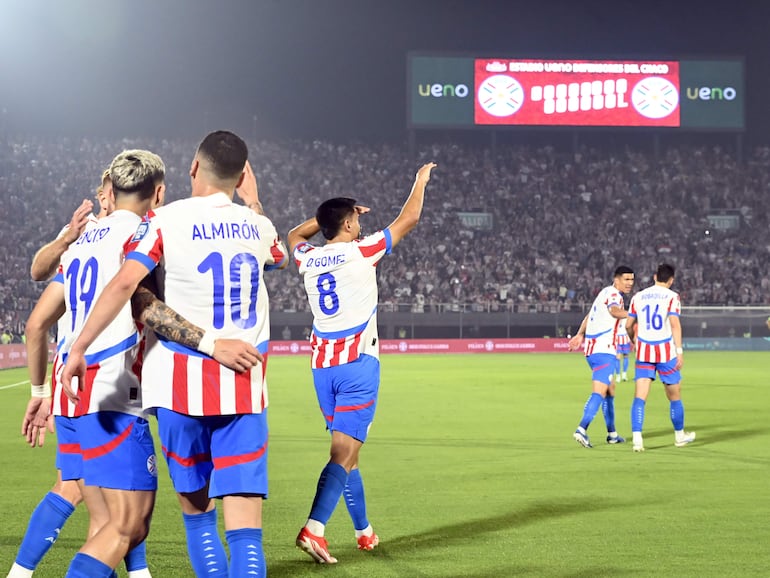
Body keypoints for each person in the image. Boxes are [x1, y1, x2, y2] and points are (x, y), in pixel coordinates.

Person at [61, 131, 287, 578]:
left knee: (200, 523)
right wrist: (254, 202)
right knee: (246, 535)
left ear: (192, 169)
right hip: (243, 386)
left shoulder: (164, 219)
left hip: (177, 389)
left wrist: (79, 346)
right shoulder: (260, 228)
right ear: (242, 176)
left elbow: (128, 286)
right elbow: (275, 256)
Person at [287, 161, 437, 564]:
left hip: (322, 367)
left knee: (349, 453)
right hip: (357, 364)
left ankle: (363, 530)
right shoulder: (361, 251)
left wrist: (329, 218)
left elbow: (294, 235)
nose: (359, 222)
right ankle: (314, 528)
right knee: (343, 453)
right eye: (354, 217)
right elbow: (411, 218)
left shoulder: (307, 258)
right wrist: (419, 180)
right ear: (350, 226)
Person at [626, 263, 696, 452]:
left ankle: (637, 440)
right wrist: (679, 351)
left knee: (640, 397)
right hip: (666, 352)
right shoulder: (672, 297)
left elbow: (628, 324)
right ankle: (679, 436)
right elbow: (674, 324)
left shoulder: (638, 297)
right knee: (674, 396)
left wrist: (634, 340)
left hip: (644, 351)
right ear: (671, 280)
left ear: (655, 276)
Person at [568, 266, 635, 448]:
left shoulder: (603, 293)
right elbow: (614, 311)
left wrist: (580, 334)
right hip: (603, 351)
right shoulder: (614, 295)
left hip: (592, 351)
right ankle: (582, 429)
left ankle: (612, 433)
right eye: (626, 279)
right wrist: (635, 313)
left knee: (609, 391)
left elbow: (590, 315)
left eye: (631, 279)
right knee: (599, 392)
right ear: (616, 279)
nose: (630, 283)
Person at [615, 314, 631, 383]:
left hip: (625, 338)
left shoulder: (626, 316)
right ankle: (618, 375)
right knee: (618, 357)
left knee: (626, 356)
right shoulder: (615, 317)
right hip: (617, 338)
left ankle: (624, 374)